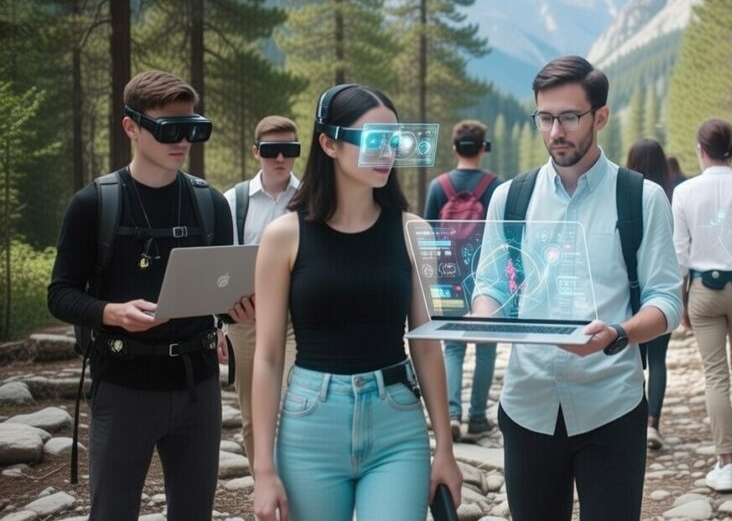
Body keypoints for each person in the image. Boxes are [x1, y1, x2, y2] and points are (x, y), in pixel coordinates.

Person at [473, 56, 683, 521]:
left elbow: (667, 301)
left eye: (569, 117)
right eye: (544, 117)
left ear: (600, 117)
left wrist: (619, 333)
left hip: (612, 406)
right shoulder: (511, 197)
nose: (554, 132)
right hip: (527, 405)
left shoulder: (642, 198)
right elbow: (489, 283)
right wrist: (485, 314)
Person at [47, 70, 253, 520]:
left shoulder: (210, 204)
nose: (182, 141)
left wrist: (237, 310)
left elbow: (221, 291)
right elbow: (60, 293)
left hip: (198, 386)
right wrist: (110, 312)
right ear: (131, 127)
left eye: (192, 129)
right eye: (168, 129)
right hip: (123, 386)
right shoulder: (94, 204)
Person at [251, 84, 462, 521]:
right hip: (310, 425)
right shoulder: (283, 236)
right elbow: (268, 356)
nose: (387, 153)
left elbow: (426, 343)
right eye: (373, 141)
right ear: (328, 143)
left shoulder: (414, 231)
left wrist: (445, 448)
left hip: (397, 425)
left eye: (395, 140)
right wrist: (263, 468)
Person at [671, 119, 732, 492]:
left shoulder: (684, 192)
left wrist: (680, 298)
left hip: (703, 290)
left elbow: (680, 254)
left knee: (715, 374)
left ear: (700, 149)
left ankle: (725, 462)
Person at [222, 115, 302, 470]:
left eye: (289, 149)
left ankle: (300, 490)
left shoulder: (311, 200)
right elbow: (220, 268)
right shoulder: (231, 201)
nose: (281, 158)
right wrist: (219, 326)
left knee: (295, 406)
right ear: (256, 152)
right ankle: (265, 492)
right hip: (246, 320)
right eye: (272, 150)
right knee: (254, 415)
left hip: (298, 318)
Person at [423, 119, 503, 441]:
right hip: (485, 276)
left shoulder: (439, 186)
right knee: (485, 349)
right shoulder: (495, 186)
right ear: (484, 148)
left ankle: (452, 414)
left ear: (455, 148)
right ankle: (478, 418)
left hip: (447, 273)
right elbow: (504, 235)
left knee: (452, 347)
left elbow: (428, 235)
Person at [624, 138, 675, 451]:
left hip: (630, 290)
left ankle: (633, 420)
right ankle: (652, 423)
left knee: (631, 356)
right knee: (658, 360)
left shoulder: (625, 196)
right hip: (660, 290)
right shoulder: (666, 196)